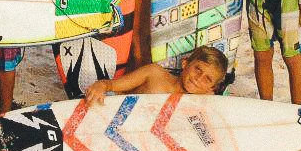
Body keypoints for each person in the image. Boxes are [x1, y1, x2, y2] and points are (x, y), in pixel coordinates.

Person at [84, 45, 228, 105]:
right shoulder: (154, 73)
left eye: (207, 79)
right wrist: (101, 86)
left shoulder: (203, 102)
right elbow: (110, 85)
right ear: (185, 63)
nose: (199, 78)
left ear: (211, 88)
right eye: (198, 69)